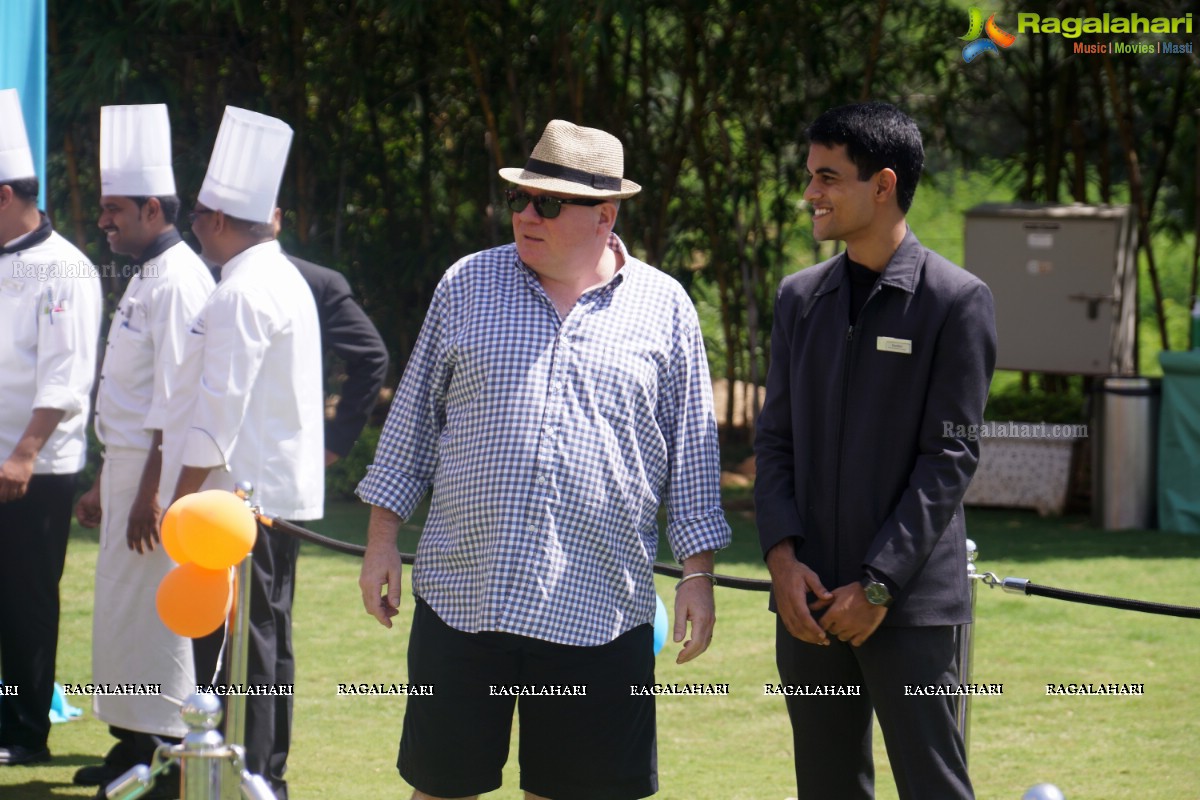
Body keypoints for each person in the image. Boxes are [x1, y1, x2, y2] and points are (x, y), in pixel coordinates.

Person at [357, 119, 731, 800]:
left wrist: (697, 576)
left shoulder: (666, 307)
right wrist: (382, 541)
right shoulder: (466, 284)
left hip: (599, 606)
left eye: (549, 203)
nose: (527, 214)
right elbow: (411, 422)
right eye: (521, 200)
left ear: (604, 216)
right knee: (440, 789)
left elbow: (694, 460)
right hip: (465, 595)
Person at [754, 102, 997, 800]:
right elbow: (775, 441)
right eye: (810, 176)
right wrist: (782, 561)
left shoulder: (957, 301)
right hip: (808, 601)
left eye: (828, 177)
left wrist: (882, 584)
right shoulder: (798, 298)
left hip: (910, 606)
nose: (810, 194)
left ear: (883, 184)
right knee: (827, 788)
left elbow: (949, 458)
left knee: (934, 787)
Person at [160, 106, 323, 800]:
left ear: (216, 221)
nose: (191, 224)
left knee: (242, 646)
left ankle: (248, 777)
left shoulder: (243, 290)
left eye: (196, 213)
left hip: (235, 500)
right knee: (261, 641)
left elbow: (217, 411)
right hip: (258, 495)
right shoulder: (273, 277)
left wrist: (182, 496)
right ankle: (253, 772)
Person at [71, 104, 215, 796]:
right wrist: (107, 479)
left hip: (155, 479)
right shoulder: (145, 272)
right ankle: (129, 740)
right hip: (127, 468)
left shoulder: (181, 277)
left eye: (114, 210)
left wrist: (152, 491)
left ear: (153, 208)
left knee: (157, 617)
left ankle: (164, 754)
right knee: (121, 614)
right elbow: (129, 392)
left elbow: (176, 402)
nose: (104, 222)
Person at [0, 87, 103, 767]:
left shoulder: (65, 266)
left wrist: (23, 453)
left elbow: (66, 378)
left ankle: (25, 731)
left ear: (5, 194)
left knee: (27, 600)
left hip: (35, 466)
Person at [272, 208, 389, 466]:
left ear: (276, 218)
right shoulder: (198, 275)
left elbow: (371, 357)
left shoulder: (316, 283)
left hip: (284, 462)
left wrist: (336, 442)